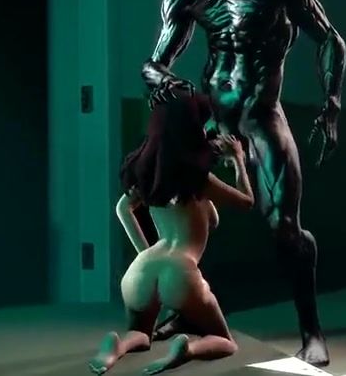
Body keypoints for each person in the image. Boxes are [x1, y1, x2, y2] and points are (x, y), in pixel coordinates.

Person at [140, 0, 346, 366]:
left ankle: (312, 332)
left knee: (284, 228)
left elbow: (330, 40)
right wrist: (163, 81)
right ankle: (184, 309)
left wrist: (331, 105)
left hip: (261, 115)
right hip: (215, 119)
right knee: (175, 210)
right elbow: (154, 64)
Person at [88, 93, 255, 375]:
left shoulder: (148, 175)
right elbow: (247, 202)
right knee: (224, 340)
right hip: (180, 270)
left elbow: (122, 209)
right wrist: (238, 158)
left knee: (140, 333)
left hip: (143, 267)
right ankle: (188, 349)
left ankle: (120, 345)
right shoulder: (199, 181)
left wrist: (144, 252)